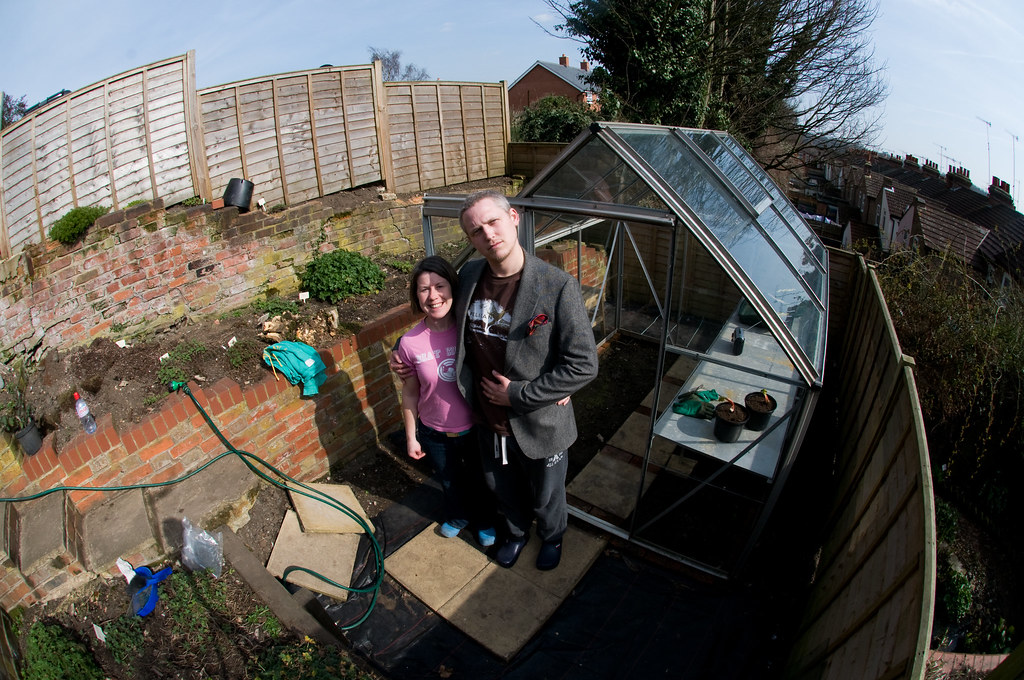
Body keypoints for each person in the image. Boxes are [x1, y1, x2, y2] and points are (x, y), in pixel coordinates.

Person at [397, 190, 598, 571]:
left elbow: (584, 364)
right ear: (470, 240)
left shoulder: (557, 286)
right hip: (487, 420)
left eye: (493, 222)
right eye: (476, 230)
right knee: (501, 488)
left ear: (514, 218)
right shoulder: (470, 277)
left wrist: (522, 395)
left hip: (541, 421)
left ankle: (552, 535)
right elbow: (436, 315)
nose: (487, 234)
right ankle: (517, 533)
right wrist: (399, 348)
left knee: (547, 494)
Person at [395, 255, 496, 547]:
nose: (433, 296)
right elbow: (410, 392)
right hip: (435, 432)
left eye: (440, 286)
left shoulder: (470, 330)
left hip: (475, 427)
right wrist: (412, 437)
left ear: (453, 288)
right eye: (424, 289)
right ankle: (458, 516)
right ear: (416, 296)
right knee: (449, 480)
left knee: (482, 480)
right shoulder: (409, 342)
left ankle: (486, 520)